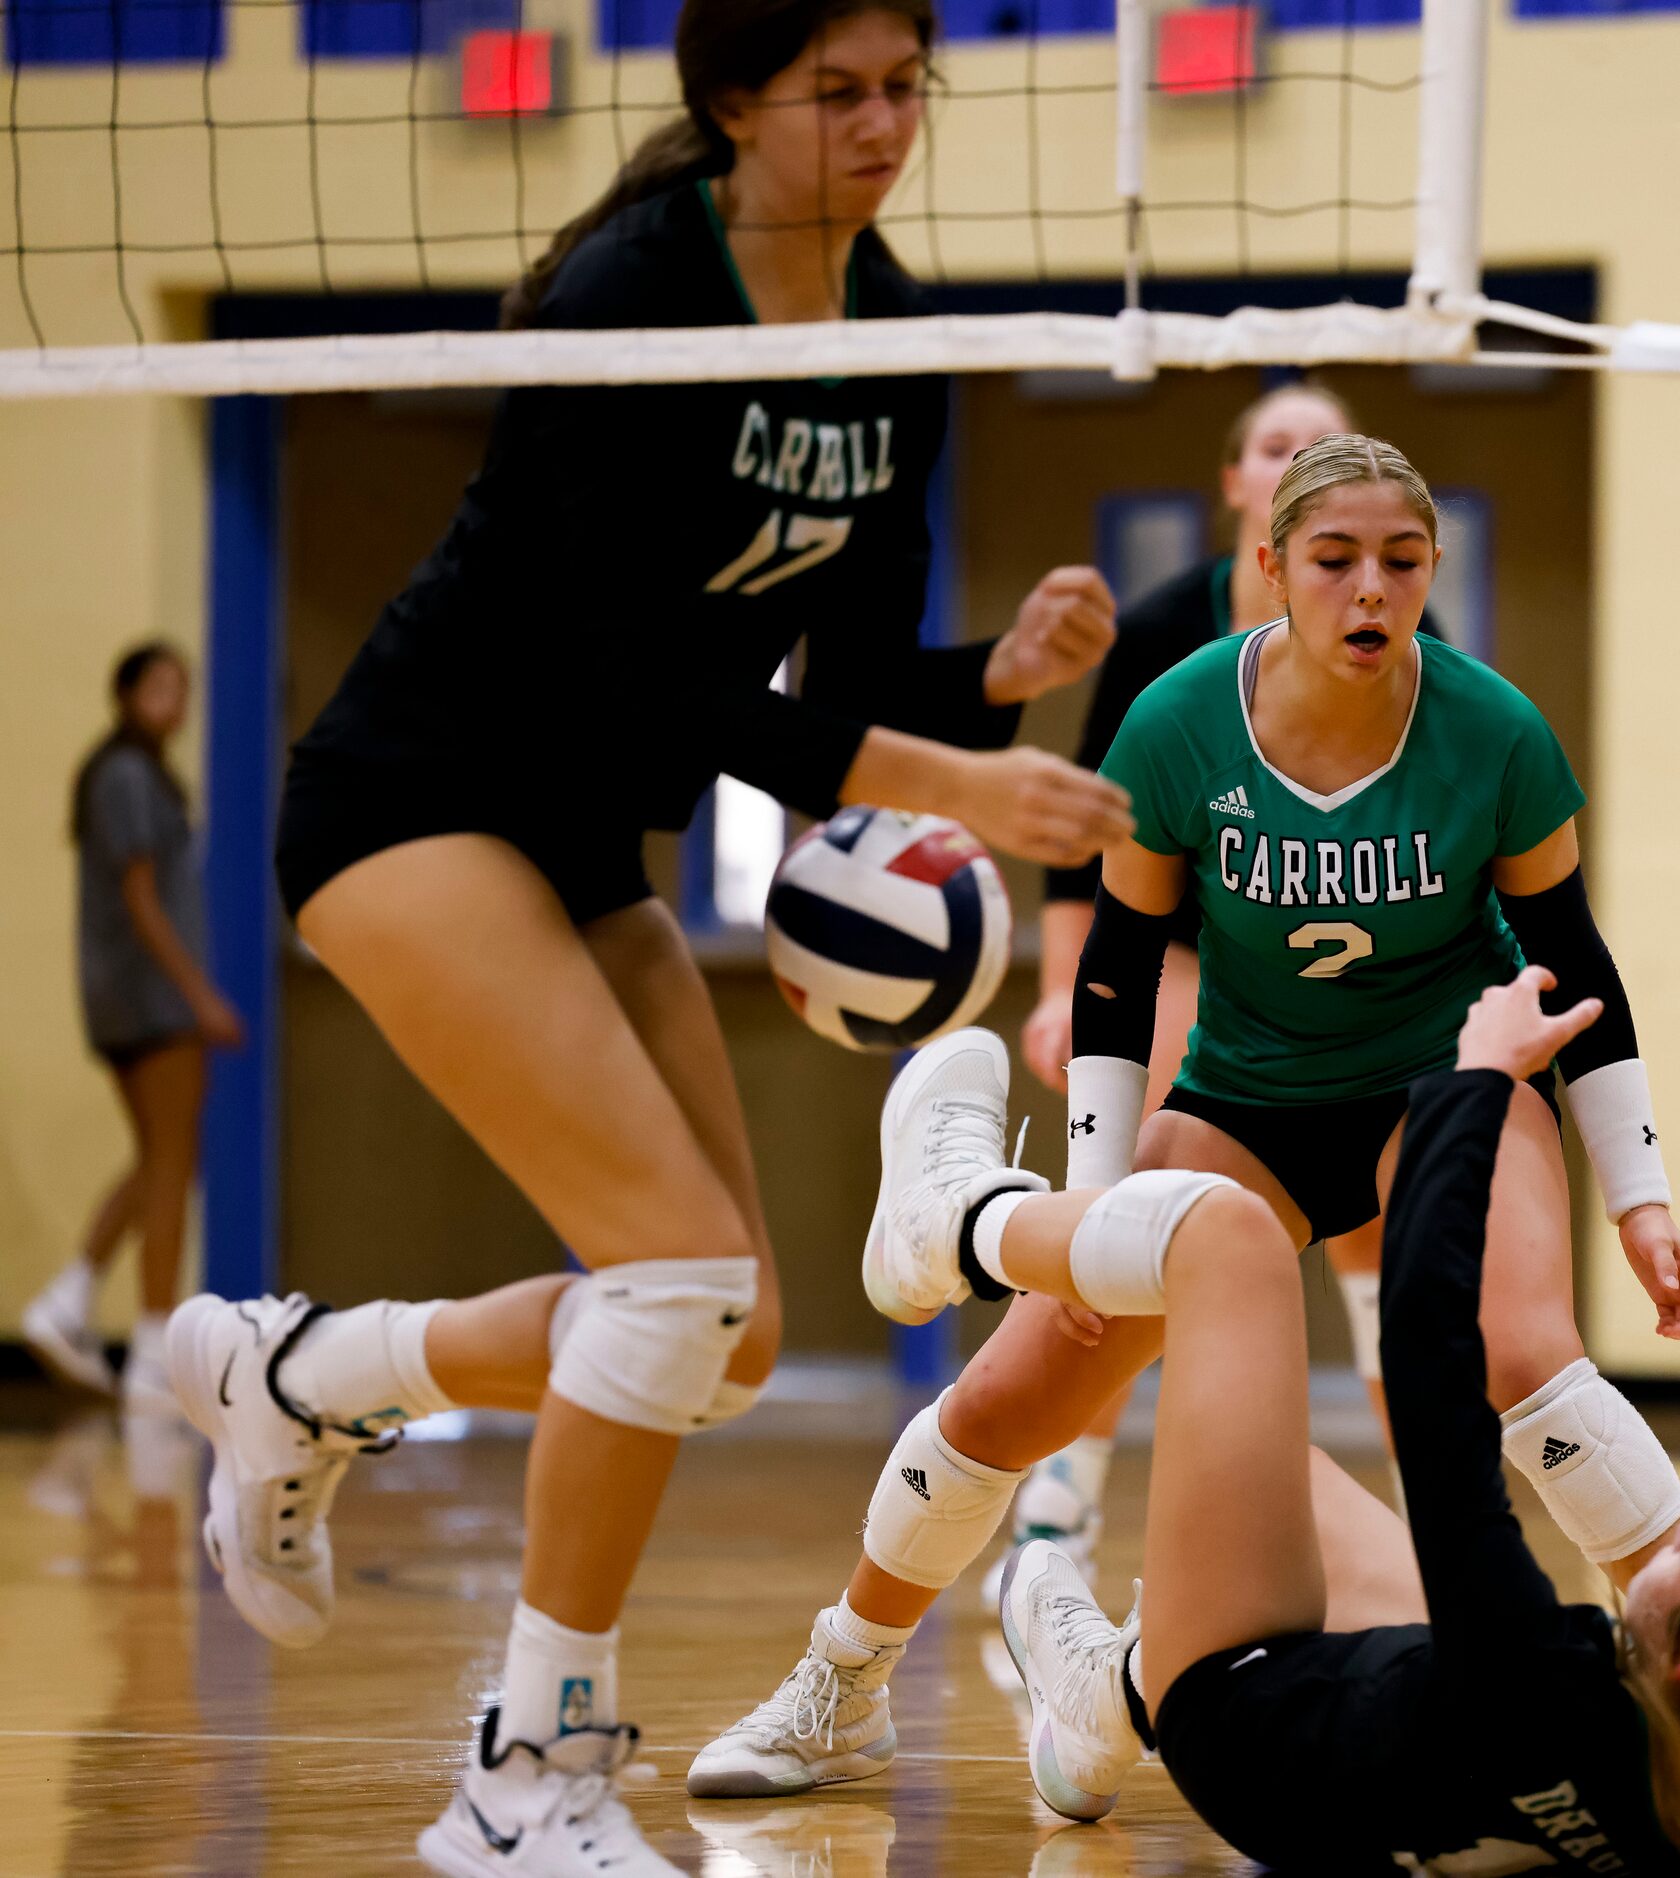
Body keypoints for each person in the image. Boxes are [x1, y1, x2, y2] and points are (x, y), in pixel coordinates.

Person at [162, 3, 1127, 1874]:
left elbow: (831, 692)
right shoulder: (633, 287)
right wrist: (953, 770)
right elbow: (645, 674)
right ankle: (528, 1782)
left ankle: (302, 1373)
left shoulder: (899, 340)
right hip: (406, 798)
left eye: (903, 88)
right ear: (732, 105)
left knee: (734, 1330)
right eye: (834, 94)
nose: (879, 127)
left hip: (578, 828)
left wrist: (983, 686)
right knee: (670, 1275)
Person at [689, 434, 1680, 1803]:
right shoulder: (1177, 721)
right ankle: (842, 1680)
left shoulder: (1493, 729)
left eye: (1401, 563)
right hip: (1246, 1094)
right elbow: (1116, 975)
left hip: (1447, 1080)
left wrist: (1639, 1202)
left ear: (1431, 574)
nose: (1370, 591)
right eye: (1336, 559)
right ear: (1270, 568)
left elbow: (1575, 970)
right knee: (1021, 1381)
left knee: (1523, 1342)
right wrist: (1094, 1215)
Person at [869, 973, 1680, 1874]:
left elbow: (1431, 1364)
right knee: (1295, 1486)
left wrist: (1472, 1084)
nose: (1673, 1535)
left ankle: (954, 1220)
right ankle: (1102, 1704)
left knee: (1227, 1236)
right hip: (1392, 1758)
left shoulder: (1540, 1684)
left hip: (1232, 1710)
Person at [1002, 380, 1425, 1582]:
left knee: (1385, 1238)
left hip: (1352, 964)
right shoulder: (1160, 634)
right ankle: (1061, 1501)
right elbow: (1091, 839)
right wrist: (1053, 988)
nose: (1302, 455)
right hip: (1186, 939)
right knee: (1139, 1200)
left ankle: (1428, 1520)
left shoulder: (1408, 651)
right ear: (1246, 492)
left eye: (1325, 441)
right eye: (1277, 444)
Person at [23, 644, 244, 1410]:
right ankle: (154, 1350)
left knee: (160, 1158)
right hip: (148, 998)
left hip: (132, 997)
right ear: (123, 693)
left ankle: (68, 1301)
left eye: (182, 688)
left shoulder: (137, 774)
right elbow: (143, 902)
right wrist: (201, 996)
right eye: (157, 685)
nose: (173, 701)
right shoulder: (124, 776)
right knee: (173, 1159)